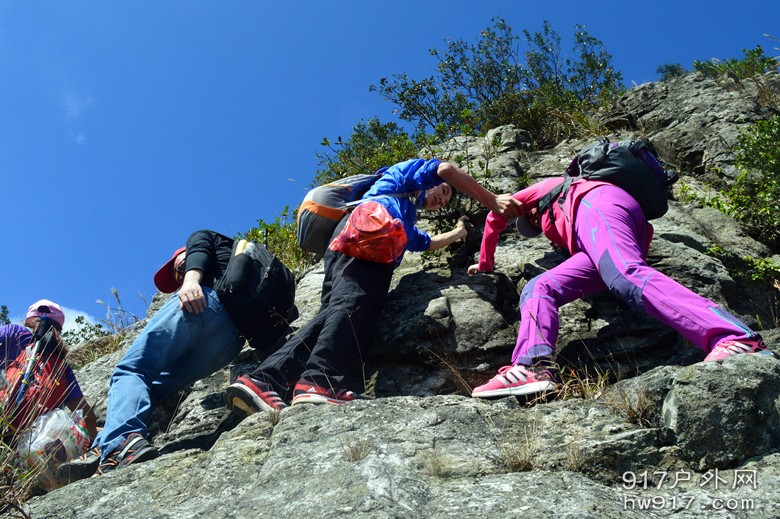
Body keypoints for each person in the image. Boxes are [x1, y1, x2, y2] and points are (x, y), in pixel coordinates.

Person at [225, 157, 523, 413]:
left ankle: (265, 381)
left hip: (348, 243)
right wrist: (491, 200)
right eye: (442, 191)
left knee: (330, 315)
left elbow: (427, 242)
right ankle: (319, 381)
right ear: (430, 183)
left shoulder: (404, 214)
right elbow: (445, 168)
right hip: (366, 239)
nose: (441, 199)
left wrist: (458, 233)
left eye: (445, 201)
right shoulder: (400, 179)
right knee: (354, 305)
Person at [467, 173, 772, 399]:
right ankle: (533, 366)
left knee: (626, 274)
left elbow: (494, 216)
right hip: (600, 237)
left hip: (597, 205)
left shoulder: (547, 191)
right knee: (539, 287)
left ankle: (736, 337)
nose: (536, 225)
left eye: (532, 222)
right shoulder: (561, 225)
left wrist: (485, 264)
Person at [58, 230, 250, 481]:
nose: (178, 278)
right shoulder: (246, 277)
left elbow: (199, 248)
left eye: (178, 270)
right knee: (153, 388)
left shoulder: (201, 245)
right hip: (231, 340)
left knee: (131, 371)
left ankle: (121, 442)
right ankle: (104, 444)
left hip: (201, 304)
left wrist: (191, 280)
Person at [1, 300, 98, 438]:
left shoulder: (13, 333)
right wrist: (93, 439)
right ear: (59, 329)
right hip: (25, 439)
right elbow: (87, 416)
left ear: (29, 320)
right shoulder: (61, 366)